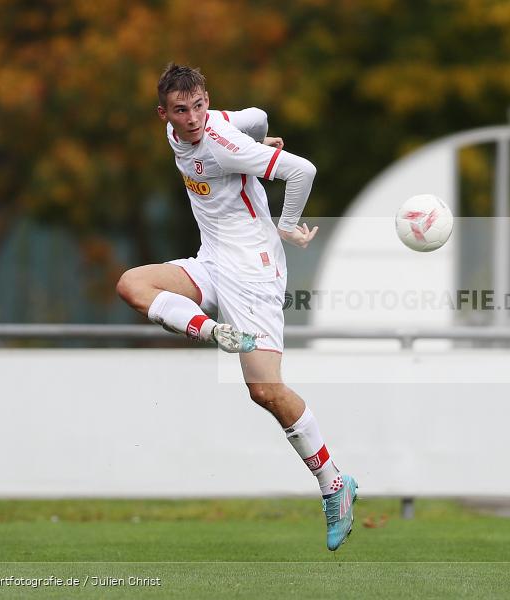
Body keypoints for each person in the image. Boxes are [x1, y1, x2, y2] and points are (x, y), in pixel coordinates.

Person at [116, 64, 357, 551]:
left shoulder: (220, 143)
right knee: (131, 284)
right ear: (164, 113)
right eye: (182, 110)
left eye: (200, 106)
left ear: (208, 99)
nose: (194, 118)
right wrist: (260, 139)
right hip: (212, 260)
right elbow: (258, 115)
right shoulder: (180, 132)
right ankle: (211, 331)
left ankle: (334, 484)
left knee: (265, 391)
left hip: (254, 268)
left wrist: (287, 223)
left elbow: (302, 170)